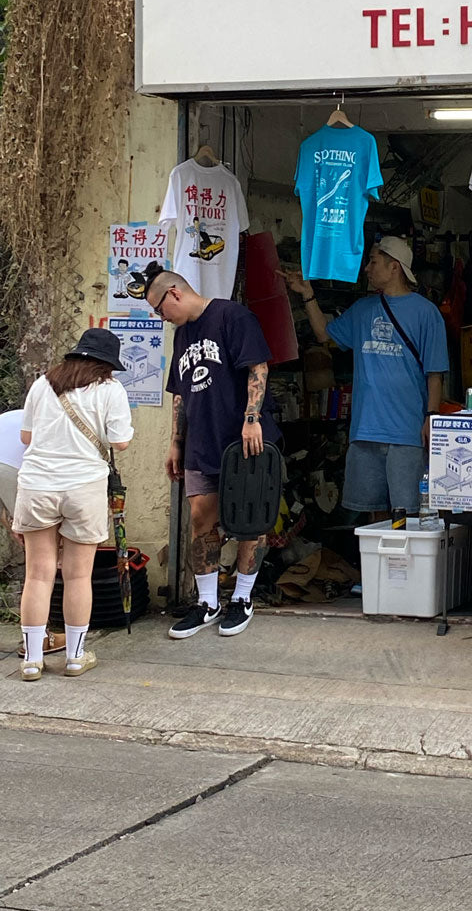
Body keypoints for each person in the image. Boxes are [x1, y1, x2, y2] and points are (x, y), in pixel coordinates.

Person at [145, 267, 280, 640]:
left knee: (251, 518)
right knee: (201, 518)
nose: (160, 317)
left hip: (243, 441)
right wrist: (176, 440)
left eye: (159, 309)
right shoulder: (183, 335)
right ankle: (207, 602)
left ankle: (242, 598)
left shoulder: (231, 315)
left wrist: (252, 417)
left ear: (174, 293)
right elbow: (180, 392)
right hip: (200, 442)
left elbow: (258, 366)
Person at [283, 236, 448, 518]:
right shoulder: (363, 310)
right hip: (366, 430)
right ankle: (379, 563)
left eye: (373, 262)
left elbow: (435, 374)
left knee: (408, 514)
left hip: (407, 433)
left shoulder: (426, 313)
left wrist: (431, 418)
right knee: (375, 516)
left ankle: (405, 564)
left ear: (394, 267)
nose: (367, 270)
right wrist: (307, 293)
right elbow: (324, 333)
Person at [12, 329, 133, 680]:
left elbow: (26, 437)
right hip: (84, 486)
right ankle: (76, 657)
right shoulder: (110, 389)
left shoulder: (43, 384)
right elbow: (120, 442)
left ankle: (32, 659)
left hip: (37, 483)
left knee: (38, 574)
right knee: (79, 574)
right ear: (107, 363)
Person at [0, 408, 67, 661]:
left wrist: (15, 525)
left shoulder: (24, 414)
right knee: (41, 566)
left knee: (35, 551)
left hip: (7, 462)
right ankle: (37, 641)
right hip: (18, 466)